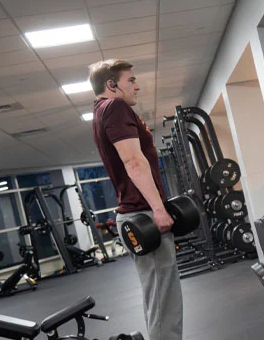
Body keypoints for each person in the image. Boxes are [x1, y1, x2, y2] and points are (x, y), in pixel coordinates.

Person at [88, 59, 182, 340]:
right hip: (143, 214)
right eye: (131, 80)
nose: (137, 86)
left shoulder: (100, 111)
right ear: (111, 84)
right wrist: (158, 209)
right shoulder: (115, 107)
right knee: (164, 301)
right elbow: (133, 161)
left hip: (136, 214)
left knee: (158, 298)